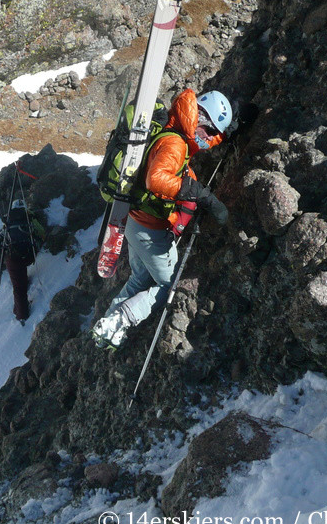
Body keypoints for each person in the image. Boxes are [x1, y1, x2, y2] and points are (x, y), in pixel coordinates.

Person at [91, 88, 231, 350]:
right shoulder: (176, 143)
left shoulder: (174, 130)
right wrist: (198, 193)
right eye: (210, 132)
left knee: (140, 278)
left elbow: (178, 166)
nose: (209, 140)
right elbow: (156, 179)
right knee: (168, 284)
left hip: (135, 222)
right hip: (150, 230)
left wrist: (226, 129)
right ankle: (123, 319)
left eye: (214, 136)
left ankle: (108, 323)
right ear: (199, 118)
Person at [0, 199, 46, 324]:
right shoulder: (29, 218)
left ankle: (21, 315)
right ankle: (23, 280)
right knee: (20, 273)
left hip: (14, 259)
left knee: (19, 288)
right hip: (29, 255)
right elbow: (42, 233)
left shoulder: (8, 222)